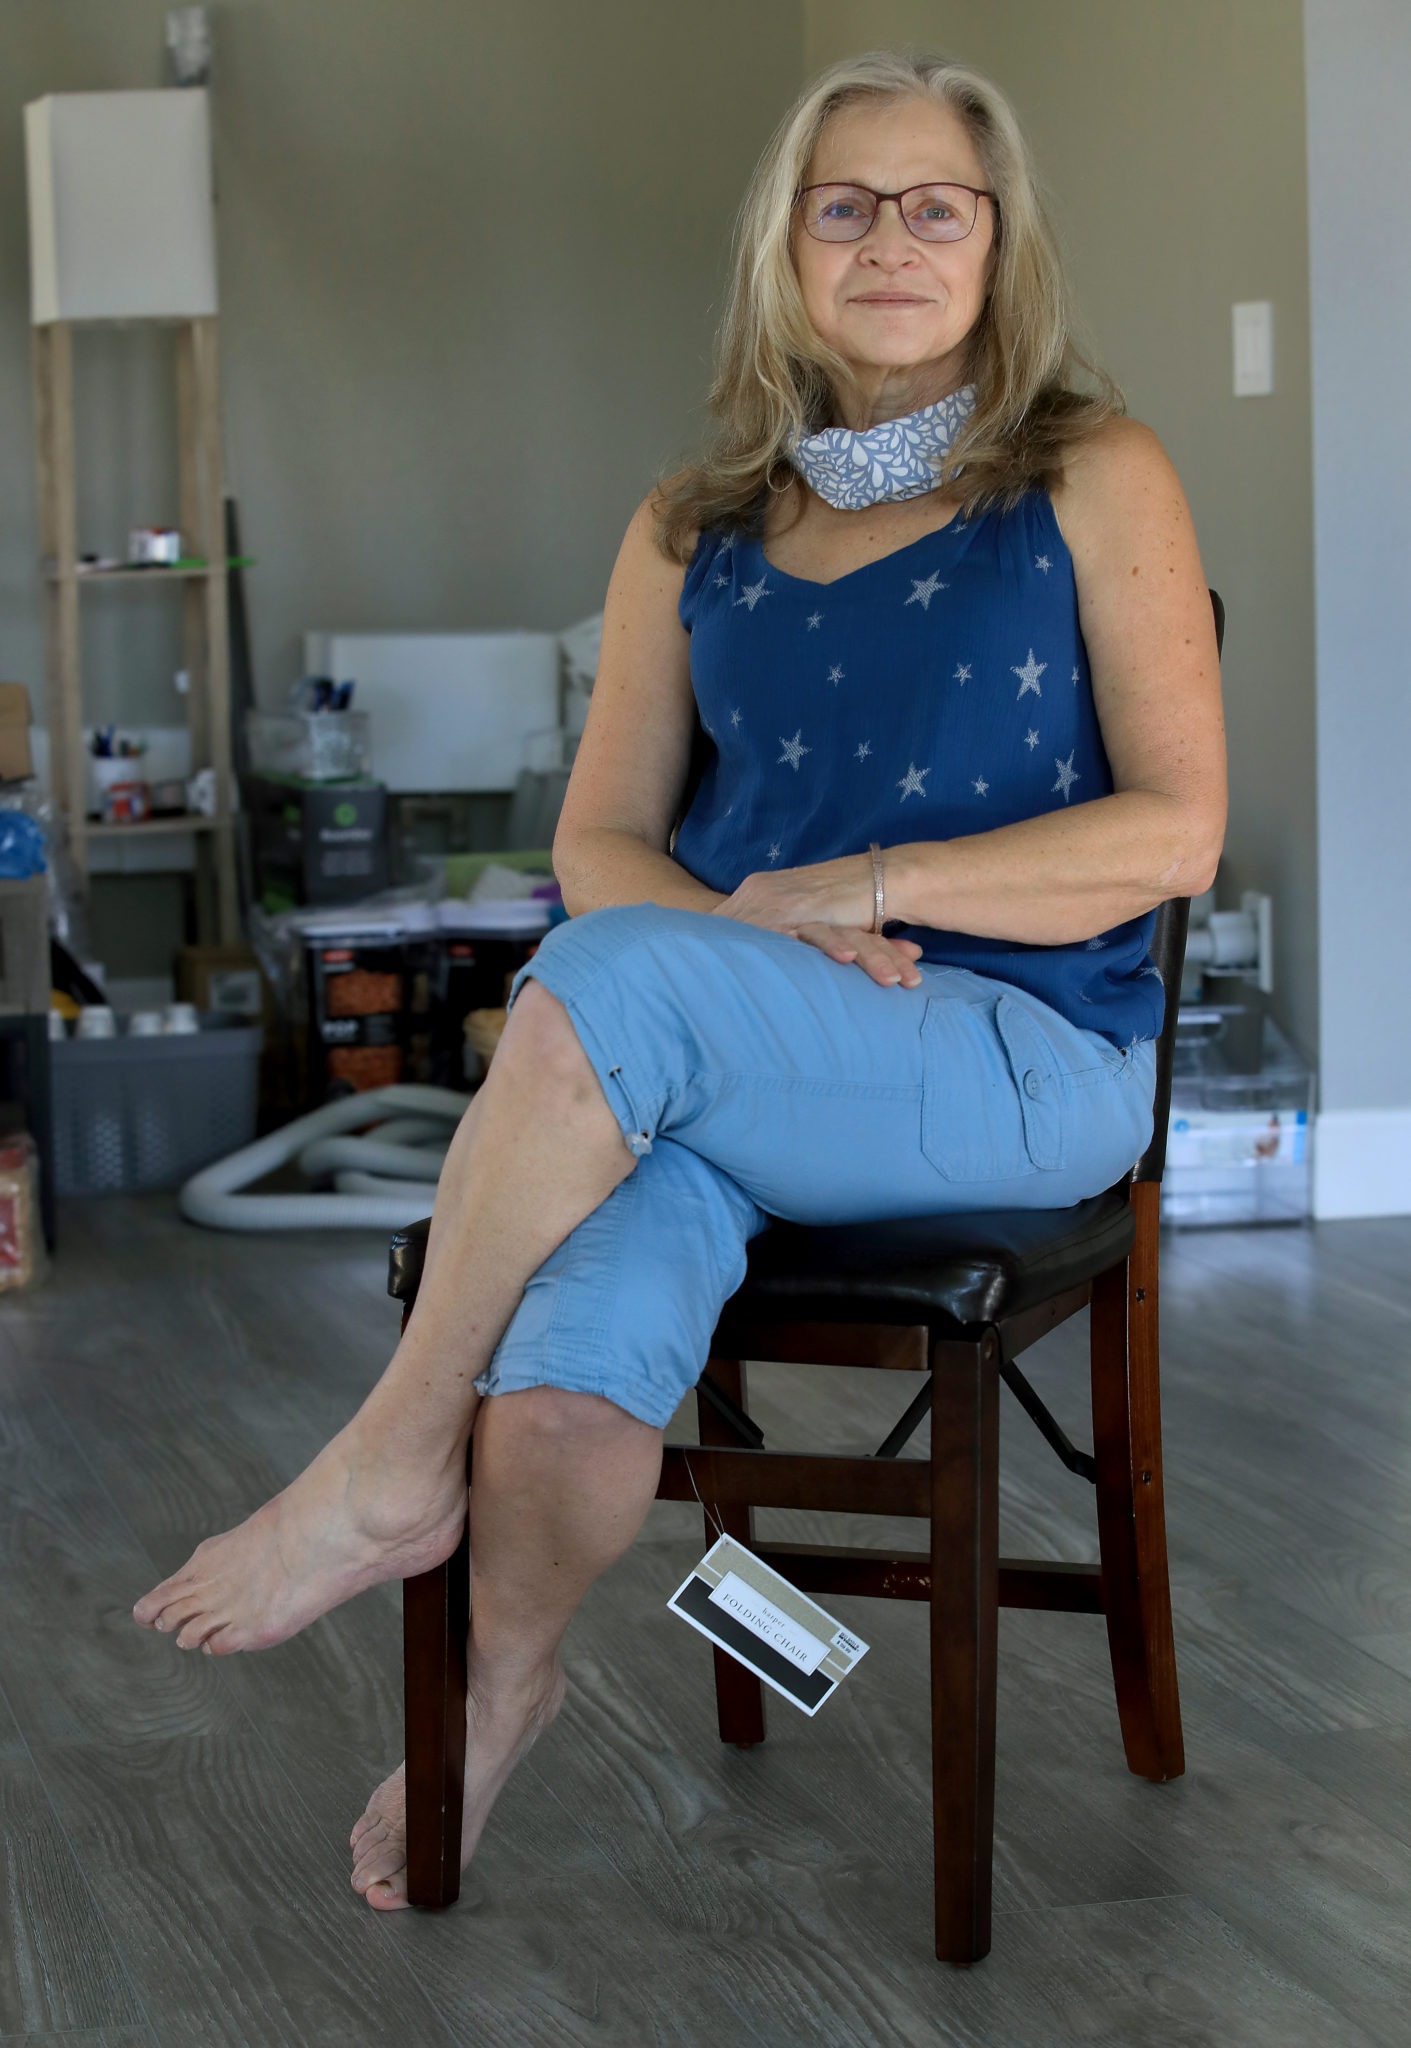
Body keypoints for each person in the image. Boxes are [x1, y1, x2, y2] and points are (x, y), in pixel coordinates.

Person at [133, 49, 1226, 1910]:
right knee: (564, 1387)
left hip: (1029, 1051)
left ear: (997, 242)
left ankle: (388, 1459)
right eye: (845, 205)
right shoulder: (690, 524)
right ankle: (500, 1696)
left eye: (935, 204)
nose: (891, 240)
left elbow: (1175, 833)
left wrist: (846, 888)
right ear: (785, 248)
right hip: (741, 1044)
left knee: (606, 987)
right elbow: (602, 846)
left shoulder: (1092, 476)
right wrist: (752, 946)